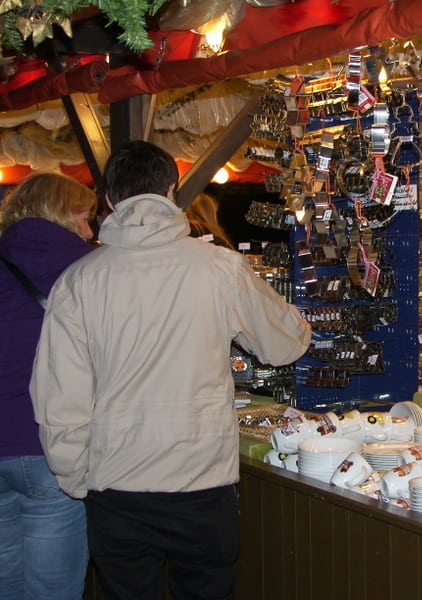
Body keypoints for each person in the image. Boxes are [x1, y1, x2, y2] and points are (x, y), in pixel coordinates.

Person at [30, 141, 311, 600]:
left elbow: (59, 397)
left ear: (108, 200)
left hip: (116, 483)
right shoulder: (220, 268)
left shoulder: (79, 281)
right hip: (201, 480)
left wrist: (75, 477)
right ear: (172, 190)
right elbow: (285, 345)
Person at [0, 172, 97, 600]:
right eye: (85, 217)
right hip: (50, 445)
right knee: (53, 591)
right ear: (65, 215)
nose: (91, 229)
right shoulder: (89, 272)